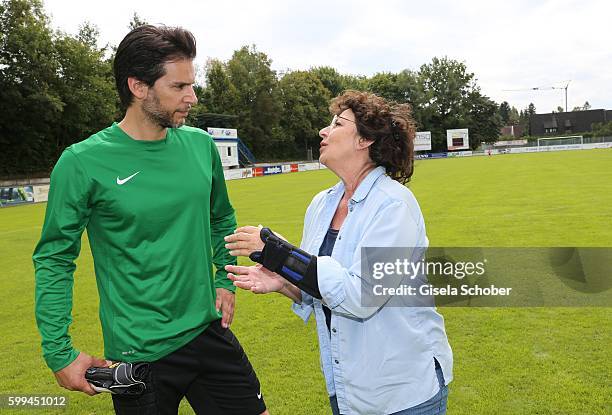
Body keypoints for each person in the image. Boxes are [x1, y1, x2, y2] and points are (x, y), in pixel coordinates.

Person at [33, 25, 268, 415]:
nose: (192, 97)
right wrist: (59, 352)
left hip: (207, 332)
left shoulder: (199, 145)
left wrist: (225, 279)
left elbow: (221, 218)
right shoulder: (81, 162)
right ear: (138, 87)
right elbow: (55, 259)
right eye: (178, 87)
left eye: (192, 85)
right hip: (138, 353)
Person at [224, 91, 453, 415]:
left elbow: (361, 296)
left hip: (404, 392)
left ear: (364, 140)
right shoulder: (322, 204)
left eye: (337, 123)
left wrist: (279, 254)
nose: (323, 131)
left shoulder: (394, 205)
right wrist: (282, 280)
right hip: (348, 389)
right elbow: (320, 287)